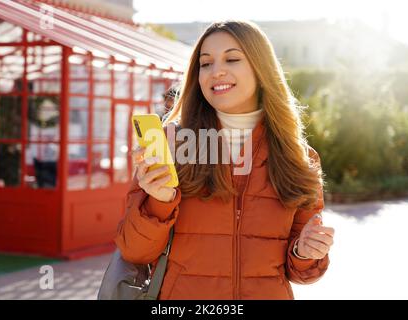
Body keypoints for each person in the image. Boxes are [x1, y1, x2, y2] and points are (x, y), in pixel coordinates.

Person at [115, 20, 335, 300]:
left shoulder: (299, 156)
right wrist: (159, 201)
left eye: (232, 59)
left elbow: (303, 272)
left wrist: (304, 252)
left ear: (261, 69)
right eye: (205, 64)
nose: (216, 71)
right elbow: (134, 251)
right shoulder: (171, 144)